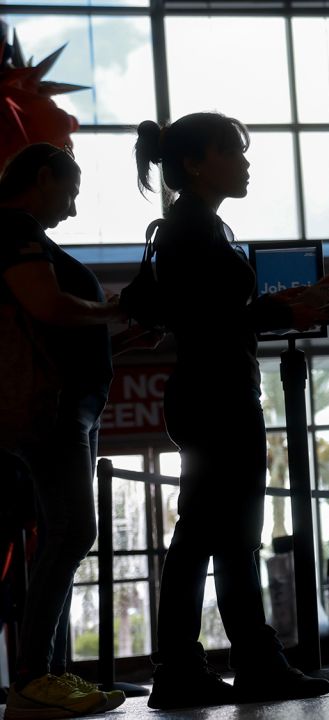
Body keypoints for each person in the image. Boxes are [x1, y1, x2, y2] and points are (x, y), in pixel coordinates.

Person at [134, 113, 329, 708]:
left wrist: (289, 305)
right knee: (213, 534)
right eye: (235, 152)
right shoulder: (191, 229)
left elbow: (213, 313)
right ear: (197, 163)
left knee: (219, 533)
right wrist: (285, 314)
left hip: (212, 392)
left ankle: (227, 660)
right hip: (216, 395)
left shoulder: (199, 226)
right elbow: (211, 319)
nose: (246, 164)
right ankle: (209, 665)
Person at [0, 143, 127, 720]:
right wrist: (116, 313)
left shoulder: (27, 233)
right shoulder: (13, 227)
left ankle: (46, 673)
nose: (72, 209)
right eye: (70, 192)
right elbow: (47, 306)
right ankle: (30, 680)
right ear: (43, 177)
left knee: (63, 534)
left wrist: (117, 335)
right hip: (53, 409)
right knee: (73, 530)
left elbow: (50, 323)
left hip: (70, 405)